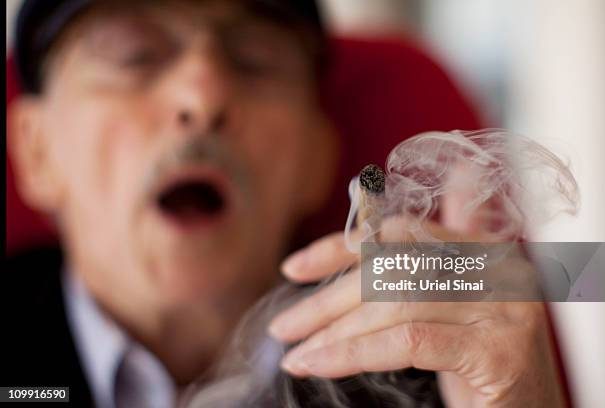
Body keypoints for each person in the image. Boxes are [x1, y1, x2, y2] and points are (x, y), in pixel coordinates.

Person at [4, 0, 568, 407]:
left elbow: (594, 271)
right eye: (135, 56)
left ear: (318, 160)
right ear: (36, 150)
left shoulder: (426, 372)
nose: (202, 95)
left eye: (253, 60)